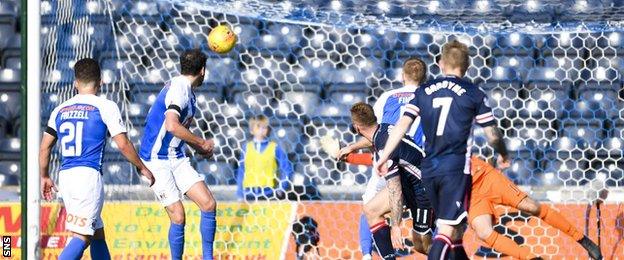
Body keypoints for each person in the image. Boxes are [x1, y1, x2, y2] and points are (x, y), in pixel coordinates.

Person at [375, 40, 509, 260]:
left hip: (428, 171)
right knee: (447, 232)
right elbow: (492, 133)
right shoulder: (472, 93)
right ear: (466, 66)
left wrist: (385, 155)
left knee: (454, 235)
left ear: (440, 63)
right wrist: (503, 153)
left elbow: (402, 125)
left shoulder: (424, 91)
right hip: (454, 171)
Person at [39, 58, 155, 260]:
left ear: (75, 82)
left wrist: (45, 176)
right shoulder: (105, 106)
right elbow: (123, 144)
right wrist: (141, 167)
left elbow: (44, 148)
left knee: (97, 232)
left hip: (66, 176)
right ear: (100, 81)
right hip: (87, 177)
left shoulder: (60, 109)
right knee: (82, 237)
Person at [334, 57, 429, 259]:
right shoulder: (429, 97)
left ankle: (367, 253)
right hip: (408, 159)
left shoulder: (388, 97)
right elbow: (375, 133)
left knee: (422, 241)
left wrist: (351, 147)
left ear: (402, 76)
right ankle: (373, 256)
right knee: (371, 208)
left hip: (410, 170)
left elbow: (371, 129)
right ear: (425, 77)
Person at [139, 49, 217, 259]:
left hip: (176, 156)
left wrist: (198, 148)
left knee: (208, 204)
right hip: (156, 160)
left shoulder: (186, 91)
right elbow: (172, 125)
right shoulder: (178, 89)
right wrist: (201, 141)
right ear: (202, 70)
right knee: (178, 216)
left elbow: (175, 131)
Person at [468, 156, 603, 260]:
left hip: (483, 176)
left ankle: (581, 239)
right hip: (463, 191)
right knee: (484, 232)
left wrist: (501, 151)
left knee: (531, 206)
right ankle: (532, 258)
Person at [349, 102, 434, 260]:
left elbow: (395, 190)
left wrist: (395, 226)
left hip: (425, 188)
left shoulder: (383, 149)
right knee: (371, 210)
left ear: (357, 127)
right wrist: (351, 148)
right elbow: (371, 140)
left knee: (422, 245)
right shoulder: (383, 128)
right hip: (410, 182)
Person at [235, 114, 293, 200]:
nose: (261, 130)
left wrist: (281, 187)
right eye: (258, 127)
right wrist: (240, 193)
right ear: (251, 130)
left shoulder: (275, 147)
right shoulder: (246, 147)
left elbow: (286, 168)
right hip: (248, 193)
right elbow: (241, 170)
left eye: (264, 127)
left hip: (268, 193)